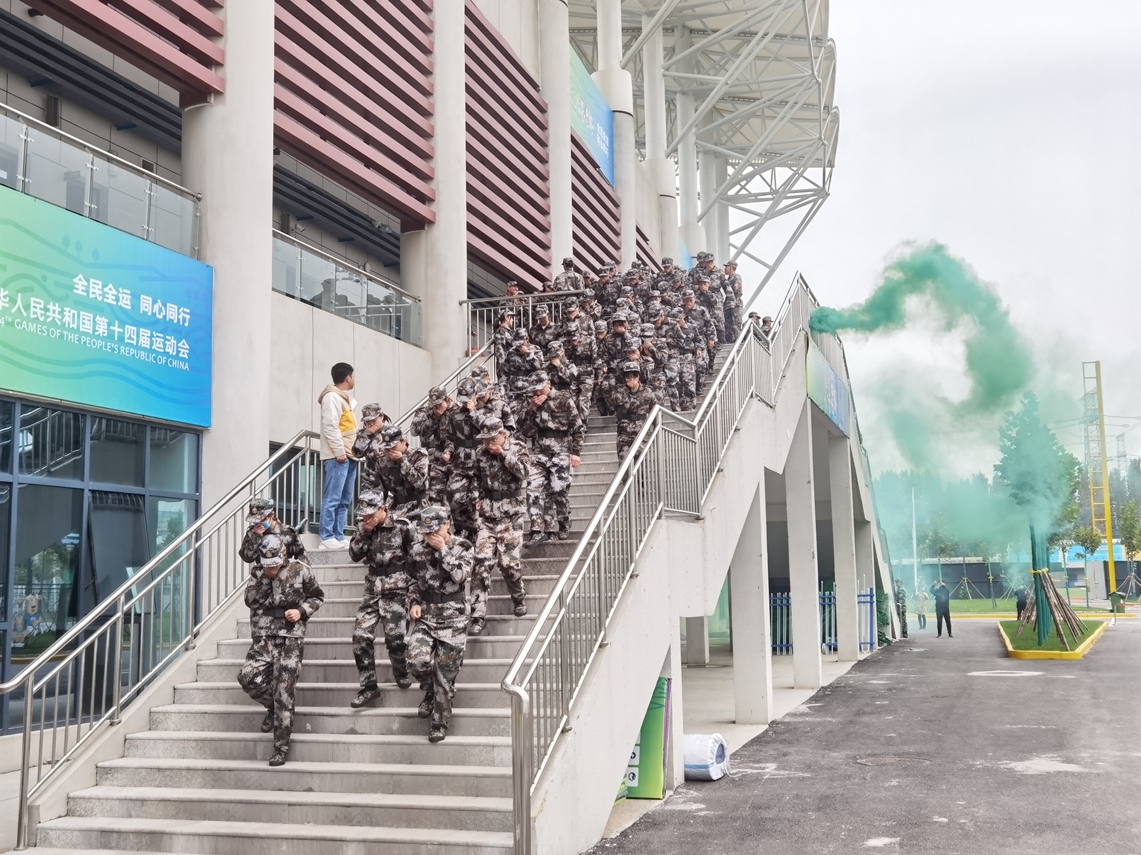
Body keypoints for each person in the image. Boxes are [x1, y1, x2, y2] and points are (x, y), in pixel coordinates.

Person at [237, 534, 324, 766]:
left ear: (283, 555)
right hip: (264, 636)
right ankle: (272, 708)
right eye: (267, 565)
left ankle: (280, 748)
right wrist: (266, 578)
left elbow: (317, 597)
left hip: (290, 638)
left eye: (273, 564)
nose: (270, 568)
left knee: (284, 693)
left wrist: (301, 611)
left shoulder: (301, 570)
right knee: (248, 677)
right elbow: (249, 600)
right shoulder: (258, 573)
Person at [406, 506, 475, 743]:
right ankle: (429, 689)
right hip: (426, 616)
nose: (429, 536)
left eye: (434, 530)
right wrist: (413, 602)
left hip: (454, 618)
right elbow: (412, 580)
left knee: (445, 675)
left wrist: (443, 550)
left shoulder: (463, 546)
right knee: (416, 661)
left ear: (447, 524)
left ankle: (439, 723)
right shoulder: (417, 549)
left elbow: (460, 576)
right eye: (426, 532)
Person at [347, 491, 414, 707]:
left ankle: (401, 671)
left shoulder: (402, 527)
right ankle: (369, 687)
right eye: (363, 515)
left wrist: (414, 593)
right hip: (372, 589)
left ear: (382, 509)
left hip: (397, 589)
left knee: (396, 640)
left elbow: (417, 558)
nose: (366, 518)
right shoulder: (363, 527)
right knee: (360, 636)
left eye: (370, 514)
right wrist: (363, 534)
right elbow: (354, 555)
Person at [472, 417, 531, 631]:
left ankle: (518, 597)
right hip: (488, 516)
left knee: (508, 563)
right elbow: (475, 479)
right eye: (485, 440)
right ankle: (477, 615)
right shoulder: (480, 453)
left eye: (492, 439)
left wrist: (503, 454)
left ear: (503, 434)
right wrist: (477, 497)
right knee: (481, 564)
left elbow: (524, 472)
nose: (488, 444)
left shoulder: (518, 447)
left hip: (511, 514)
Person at [519, 371, 584, 545]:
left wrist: (576, 453)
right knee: (533, 489)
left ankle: (563, 522)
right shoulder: (531, 402)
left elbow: (577, 428)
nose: (537, 392)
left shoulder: (564, 399)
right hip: (539, 452)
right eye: (534, 389)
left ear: (548, 383)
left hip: (561, 450)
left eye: (540, 388)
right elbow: (524, 430)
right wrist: (532, 409)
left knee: (558, 490)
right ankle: (536, 530)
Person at [317, 362, 358, 549]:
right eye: (353, 376)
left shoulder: (344, 399)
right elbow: (330, 426)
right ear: (348, 377)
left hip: (349, 455)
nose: (354, 379)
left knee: (344, 500)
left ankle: (338, 535)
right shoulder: (332, 397)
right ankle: (326, 537)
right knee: (333, 498)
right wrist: (339, 451)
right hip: (338, 456)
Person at [410, 385, 452, 505]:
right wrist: (434, 417)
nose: (436, 406)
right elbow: (414, 431)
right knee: (433, 495)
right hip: (431, 458)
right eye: (434, 403)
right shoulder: (424, 411)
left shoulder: (454, 411)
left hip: (450, 456)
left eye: (439, 403)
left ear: (446, 399)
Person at [611, 361, 660, 459]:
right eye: (628, 376)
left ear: (639, 376)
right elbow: (613, 403)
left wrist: (655, 429)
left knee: (640, 462)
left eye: (635, 375)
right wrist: (627, 389)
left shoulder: (647, 391)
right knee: (624, 462)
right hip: (624, 433)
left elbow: (655, 411)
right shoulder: (619, 391)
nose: (632, 379)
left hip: (641, 433)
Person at [239, 498, 306, 564]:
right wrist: (256, 536)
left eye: (262, 519)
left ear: (272, 515)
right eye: (254, 521)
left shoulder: (288, 532)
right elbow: (246, 558)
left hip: (283, 570)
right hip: (262, 570)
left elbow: (303, 559)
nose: (258, 523)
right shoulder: (252, 532)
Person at [351, 403, 388, 491]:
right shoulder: (363, 434)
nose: (370, 424)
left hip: (390, 478)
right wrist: (367, 436)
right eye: (367, 422)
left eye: (373, 420)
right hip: (371, 480)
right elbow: (357, 453)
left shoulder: (392, 432)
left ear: (381, 417)